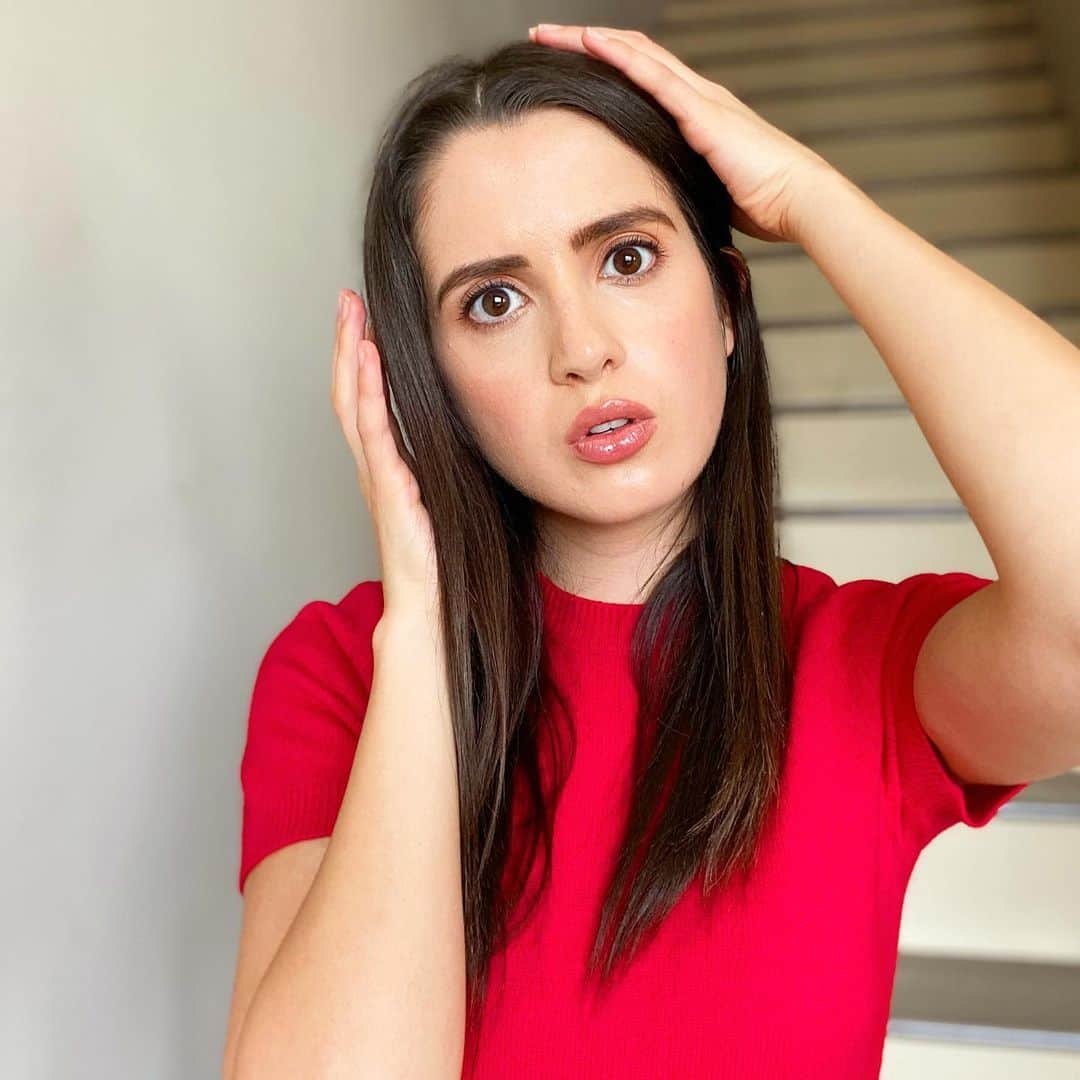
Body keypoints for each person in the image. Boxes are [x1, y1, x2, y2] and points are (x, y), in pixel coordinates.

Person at [221, 29, 1062, 1080]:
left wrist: (812, 197)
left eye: (627, 256)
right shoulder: (343, 672)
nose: (581, 350)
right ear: (430, 383)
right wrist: (424, 630)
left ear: (726, 308)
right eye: (495, 300)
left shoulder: (863, 666)